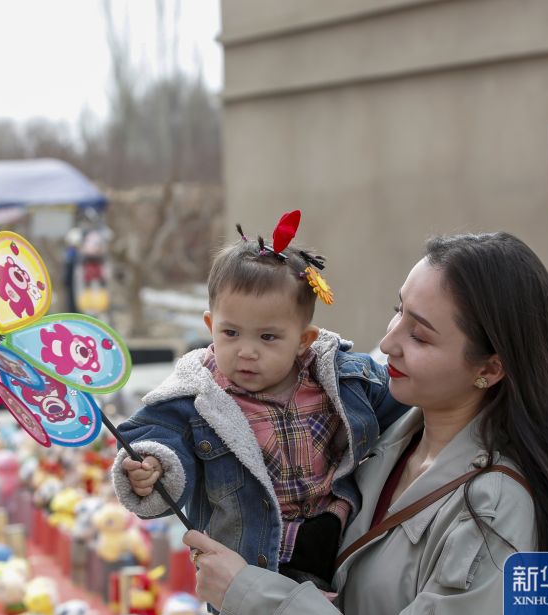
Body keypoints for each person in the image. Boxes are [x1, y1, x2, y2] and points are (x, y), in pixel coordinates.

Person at [185, 232, 548, 615]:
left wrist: (249, 598)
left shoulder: (494, 509)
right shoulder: (378, 439)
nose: (390, 341)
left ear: (488, 369)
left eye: (420, 336)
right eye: (398, 311)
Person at [111, 211, 407, 591]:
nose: (246, 351)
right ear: (210, 327)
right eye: (231, 333)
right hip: (256, 556)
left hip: (335, 535)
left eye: (268, 337)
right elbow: (157, 432)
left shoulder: (337, 377)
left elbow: (401, 401)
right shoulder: (199, 396)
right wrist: (153, 464)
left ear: (303, 340)